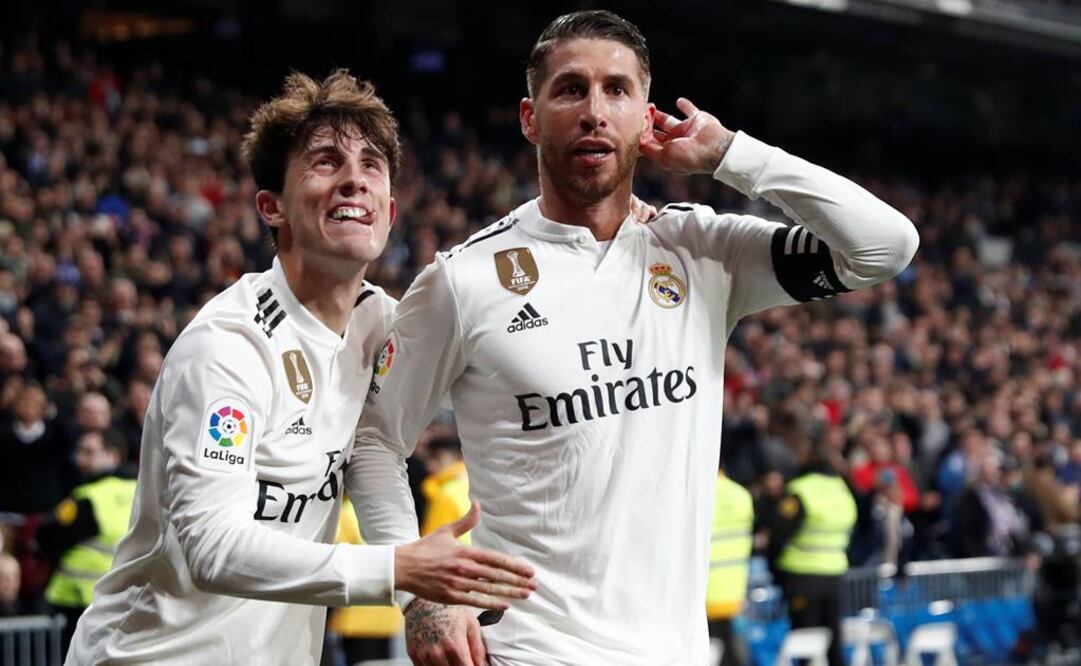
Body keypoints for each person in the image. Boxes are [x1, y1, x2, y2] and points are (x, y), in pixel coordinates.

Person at [351, 9, 918, 664]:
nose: (594, 111)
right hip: (526, 651)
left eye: (616, 90)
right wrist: (417, 594)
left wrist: (731, 156)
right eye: (570, 89)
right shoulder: (463, 281)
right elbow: (374, 442)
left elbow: (884, 246)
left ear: (646, 117)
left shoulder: (704, 253)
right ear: (530, 118)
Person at [64, 70, 535, 665]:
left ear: (388, 212)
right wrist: (397, 569)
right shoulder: (227, 346)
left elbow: (371, 451)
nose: (353, 181)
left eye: (370, 166)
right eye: (326, 162)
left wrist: (420, 596)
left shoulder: (384, 327)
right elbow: (213, 548)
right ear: (272, 207)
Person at [36, 429, 136, 657]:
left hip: (77, 601)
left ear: (113, 456)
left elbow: (48, 534)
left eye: (89, 452)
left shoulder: (89, 496)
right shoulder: (139, 489)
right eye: (79, 451)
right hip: (125, 600)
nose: (79, 459)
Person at [767, 430, 858, 666]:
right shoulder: (841, 487)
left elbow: (778, 531)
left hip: (802, 576)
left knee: (806, 644)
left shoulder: (801, 489)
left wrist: (775, 568)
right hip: (835, 574)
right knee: (833, 643)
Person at [707, 466, 754, 666]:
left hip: (706, 590)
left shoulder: (701, 492)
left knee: (711, 650)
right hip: (735, 587)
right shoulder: (741, 494)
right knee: (730, 648)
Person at [421, 437, 472, 541]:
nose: (430, 465)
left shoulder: (446, 494)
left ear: (459, 457)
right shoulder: (477, 487)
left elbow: (432, 545)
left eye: (436, 457)